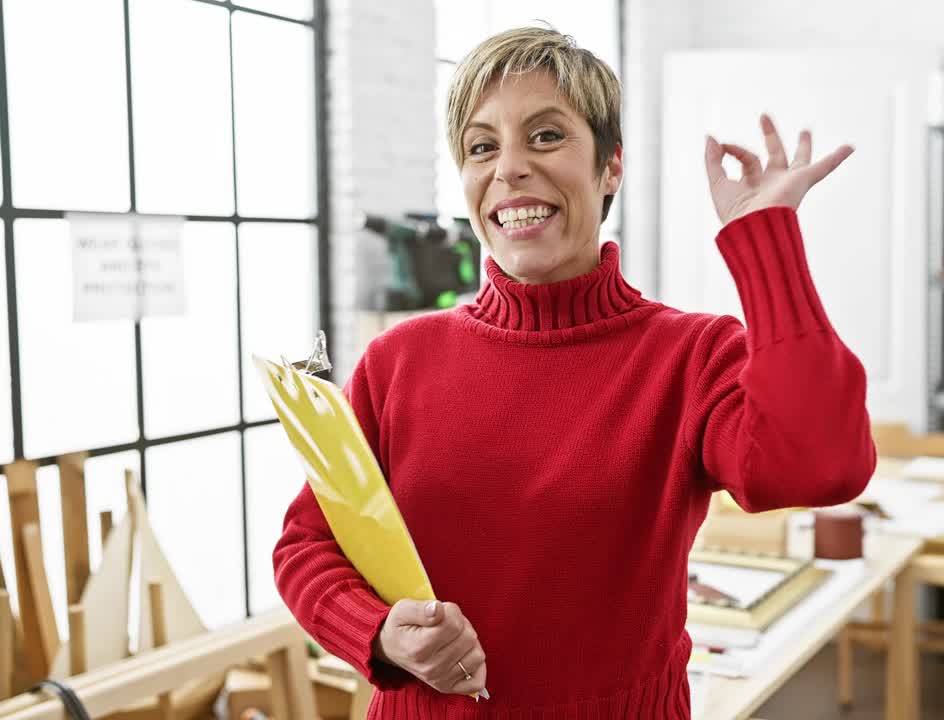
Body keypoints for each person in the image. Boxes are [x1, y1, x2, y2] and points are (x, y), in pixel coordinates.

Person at [274, 26, 873, 719]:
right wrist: (377, 633)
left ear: (610, 166)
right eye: (481, 146)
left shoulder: (690, 356)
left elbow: (821, 467)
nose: (509, 168)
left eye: (547, 136)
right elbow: (307, 544)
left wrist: (768, 239)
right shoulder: (396, 361)